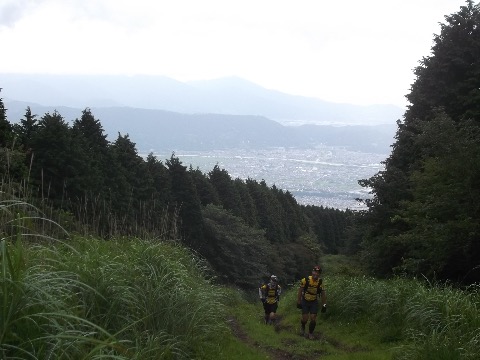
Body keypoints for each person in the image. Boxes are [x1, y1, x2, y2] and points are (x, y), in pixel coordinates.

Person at [296, 265, 327, 339]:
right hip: (305, 300)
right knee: (305, 319)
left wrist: (324, 305)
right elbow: (300, 291)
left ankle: (310, 333)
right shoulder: (305, 280)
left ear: (319, 274)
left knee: (313, 318)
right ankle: (303, 326)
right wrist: (299, 301)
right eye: (315, 272)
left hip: (314, 301)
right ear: (312, 272)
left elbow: (323, 294)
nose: (316, 274)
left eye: (318, 273)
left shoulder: (320, 282)